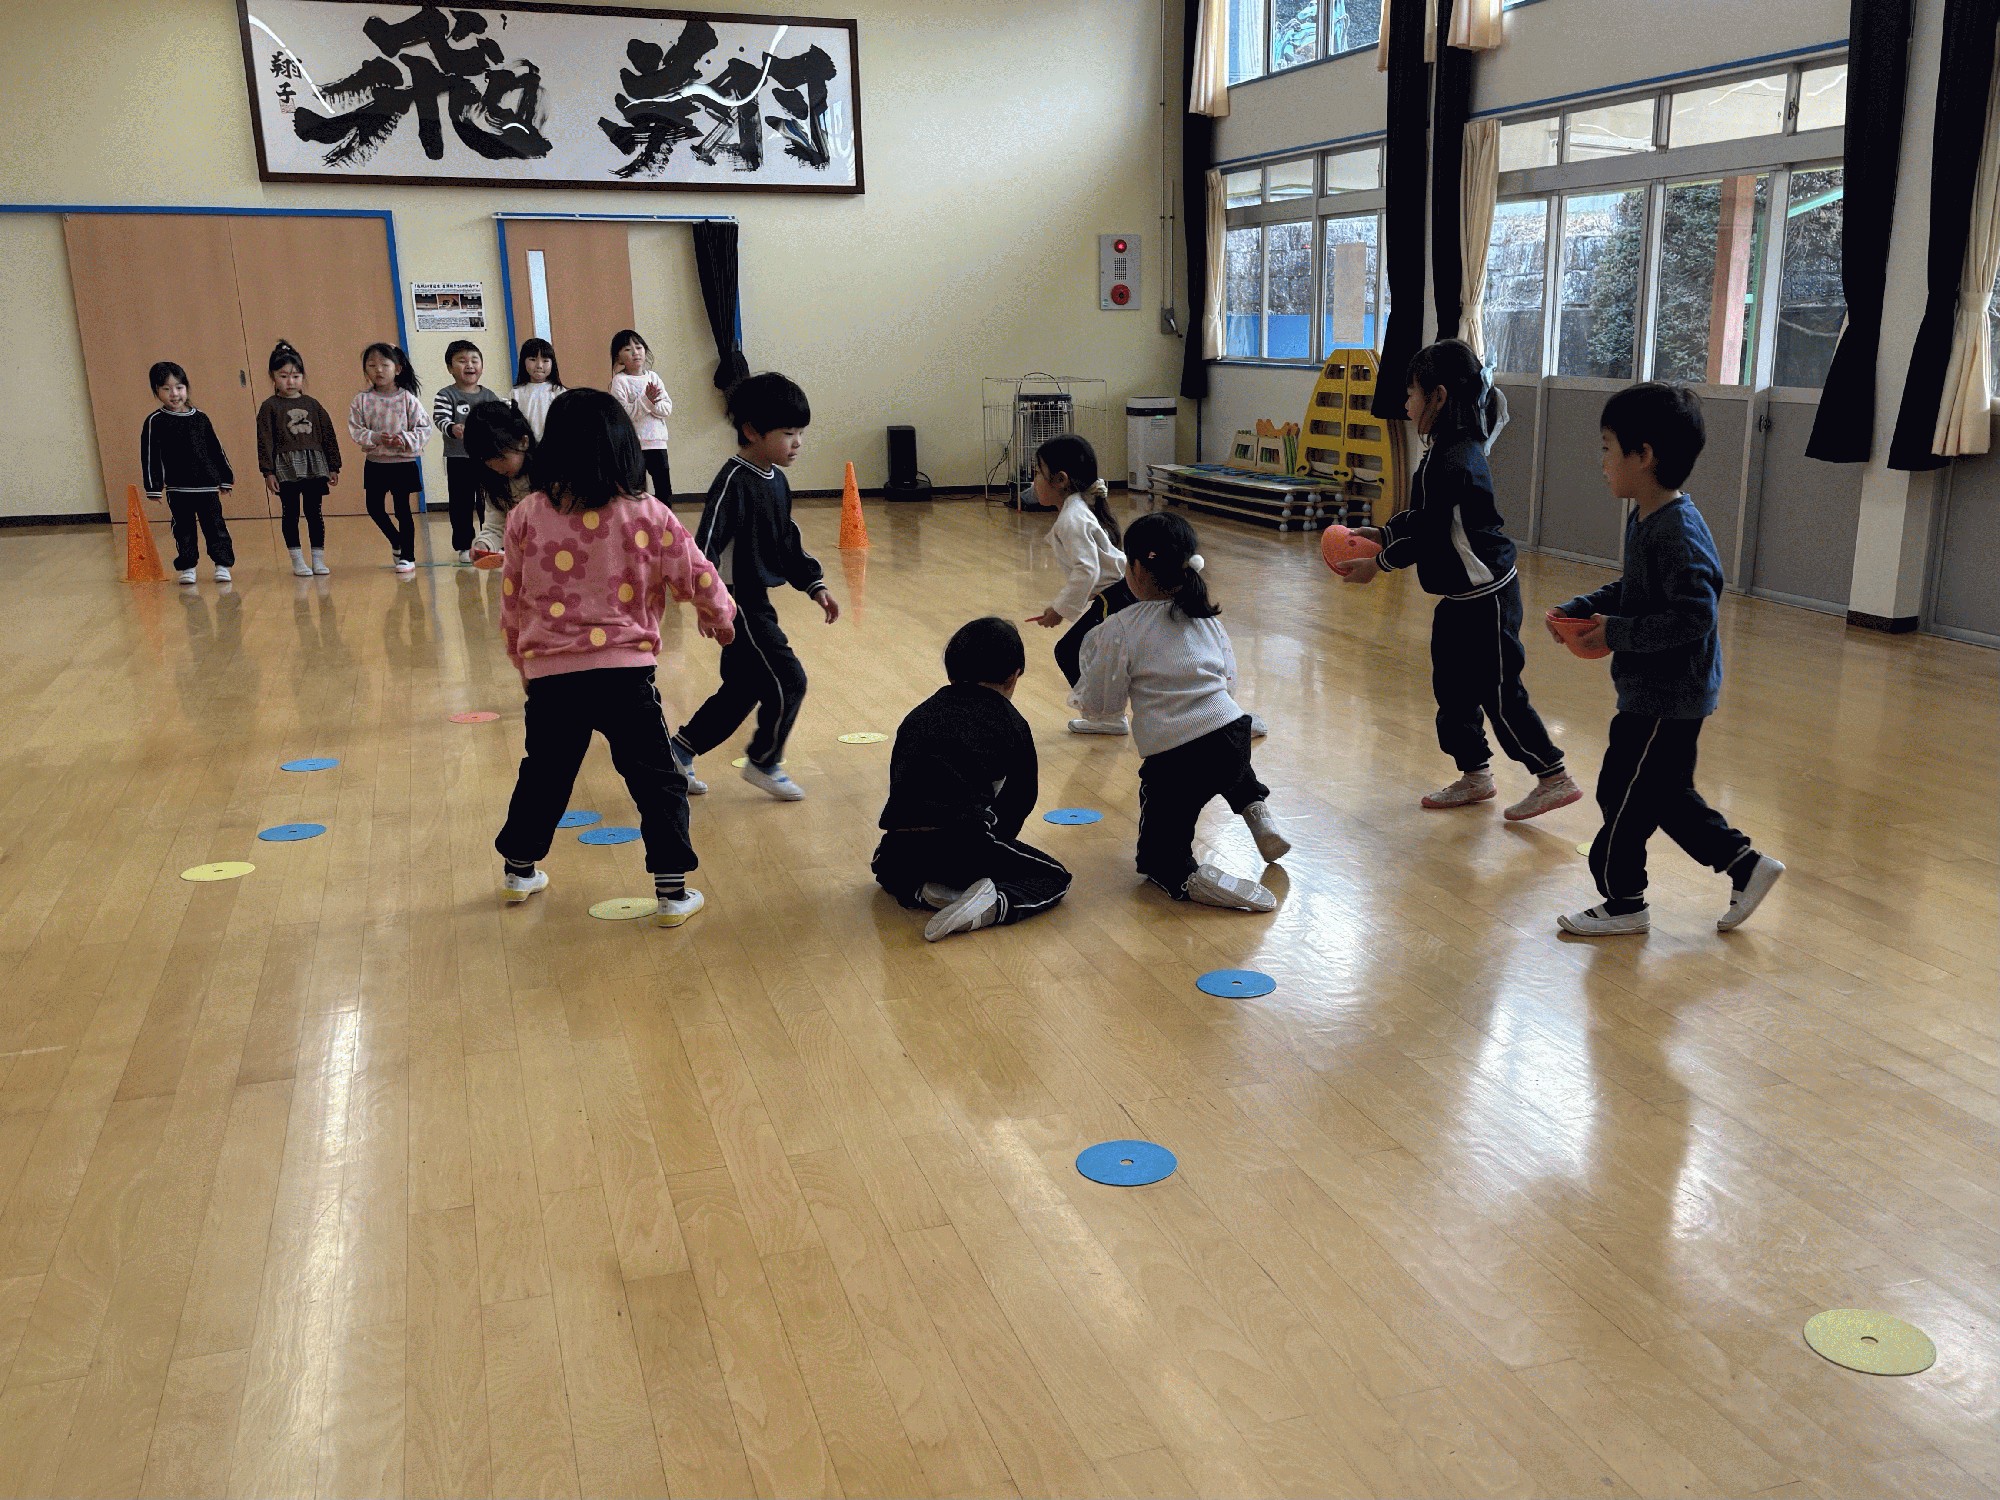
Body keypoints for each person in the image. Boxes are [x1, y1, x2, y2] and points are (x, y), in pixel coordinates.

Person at [493, 389, 736, 928]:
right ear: (626, 446)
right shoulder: (647, 512)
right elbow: (696, 572)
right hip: (625, 675)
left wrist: (522, 661)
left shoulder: (527, 515)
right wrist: (720, 617)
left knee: (545, 775)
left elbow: (513, 598)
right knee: (656, 780)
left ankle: (518, 870)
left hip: (552, 677)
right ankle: (671, 890)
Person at [1548, 382, 1784, 937]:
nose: (1602, 461)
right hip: (1656, 691)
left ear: (1644, 455)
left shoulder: (1677, 531)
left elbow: (1693, 616)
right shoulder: (1648, 518)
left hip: (1667, 695)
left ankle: (1624, 901)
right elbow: (1636, 589)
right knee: (1664, 795)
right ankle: (1745, 865)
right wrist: (1584, 607)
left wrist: (1617, 632)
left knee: (1622, 792)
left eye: (1608, 448)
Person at [1335, 338, 1581, 822]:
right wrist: (1384, 533)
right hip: (1458, 598)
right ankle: (1475, 774)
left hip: (1488, 597)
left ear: (1439, 397)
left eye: (1412, 393)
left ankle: (1553, 776)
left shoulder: (1456, 459)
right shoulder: (1442, 452)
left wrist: (1380, 563)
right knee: (1451, 689)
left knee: (1499, 691)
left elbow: (1431, 534)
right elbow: (1427, 517)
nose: (1406, 404)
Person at [1073, 511, 1287, 912]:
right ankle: (1257, 813)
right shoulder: (1206, 618)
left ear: (1136, 569)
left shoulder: (1122, 627)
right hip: (1233, 735)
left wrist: (1093, 702)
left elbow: (1103, 706)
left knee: (1158, 859)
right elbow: (1229, 682)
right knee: (1227, 758)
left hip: (1178, 760)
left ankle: (1197, 879)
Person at [672, 372, 839, 801]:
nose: (797, 443)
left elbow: (787, 542)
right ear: (751, 431)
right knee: (789, 679)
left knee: (743, 688)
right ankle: (764, 761)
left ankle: (679, 752)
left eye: (800, 433)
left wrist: (815, 585)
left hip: (754, 598)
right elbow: (704, 547)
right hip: (735, 602)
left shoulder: (776, 481)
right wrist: (708, 603)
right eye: (788, 433)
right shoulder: (733, 481)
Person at [874, 617, 1073, 941]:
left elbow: (902, 782)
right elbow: (1021, 798)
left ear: (951, 672)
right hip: (964, 842)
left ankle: (932, 892)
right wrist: (998, 844)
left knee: (884, 864)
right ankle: (993, 906)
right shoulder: (1011, 723)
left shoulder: (919, 715)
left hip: (903, 844)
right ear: (1014, 676)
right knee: (1053, 876)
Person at [1025, 433, 1135, 735]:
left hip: (1119, 596)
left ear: (1060, 480)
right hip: (1120, 594)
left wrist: (1059, 610)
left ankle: (1106, 716)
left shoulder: (1072, 517)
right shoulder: (1076, 509)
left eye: (1038, 473)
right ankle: (1108, 714)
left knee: (1069, 651)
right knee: (1089, 653)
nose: (1034, 481)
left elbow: (1087, 570)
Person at [140, 360, 235, 585]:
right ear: (157, 391)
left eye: (179, 387)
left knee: (215, 527)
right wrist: (153, 487)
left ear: (186, 388)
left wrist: (225, 477)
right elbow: (150, 455)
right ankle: (188, 566)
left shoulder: (201, 418)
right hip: (178, 488)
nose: (174, 394)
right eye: (167, 389)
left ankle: (222, 564)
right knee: (183, 529)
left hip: (207, 486)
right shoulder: (155, 421)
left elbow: (216, 449)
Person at [255, 339, 342, 577]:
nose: (290, 381)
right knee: (290, 512)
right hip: (286, 468)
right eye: (283, 376)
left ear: (303, 376)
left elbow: (328, 435)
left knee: (315, 512)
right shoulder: (269, 406)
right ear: (273, 377)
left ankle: (318, 559)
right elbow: (264, 440)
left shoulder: (313, 405)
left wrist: (333, 465)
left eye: (295, 376)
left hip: (314, 466)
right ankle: (297, 561)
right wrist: (268, 471)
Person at [347, 343, 430, 574]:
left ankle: (408, 556)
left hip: (403, 463)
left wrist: (402, 439)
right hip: (376, 463)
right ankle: (396, 540)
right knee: (374, 508)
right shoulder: (362, 400)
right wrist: (375, 437)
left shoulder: (408, 399)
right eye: (372, 365)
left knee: (403, 509)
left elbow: (424, 428)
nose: (378, 370)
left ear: (398, 368)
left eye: (385, 364)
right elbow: (355, 428)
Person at [432, 339, 502, 564]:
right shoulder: (446, 395)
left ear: (481, 365)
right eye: (462, 361)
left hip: (486, 459)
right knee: (461, 503)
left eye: (474, 360)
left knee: (489, 502)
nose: (469, 365)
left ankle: (490, 543)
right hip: (458, 458)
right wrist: (452, 428)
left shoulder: (489, 396)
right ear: (450, 368)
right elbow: (440, 418)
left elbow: (499, 420)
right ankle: (463, 544)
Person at [463, 399, 534, 567]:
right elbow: (495, 526)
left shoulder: (547, 474)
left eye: (500, 458)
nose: (495, 467)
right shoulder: (497, 482)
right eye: (487, 461)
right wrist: (483, 545)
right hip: (523, 565)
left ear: (524, 442)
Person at [608, 329, 674, 502]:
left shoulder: (654, 377)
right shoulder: (620, 381)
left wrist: (650, 403)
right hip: (633, 444)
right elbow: (623, 415)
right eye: (627, 349)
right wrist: (647, 401)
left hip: (657, 442)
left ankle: (664, 517)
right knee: (635, 488)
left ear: (645, 351)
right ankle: (638, 517)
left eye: (638, 347)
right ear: (619, 358)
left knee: (663, 487)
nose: (635, 352)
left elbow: (666, 409)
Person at [510, 337, 564, 439]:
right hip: (526, 444)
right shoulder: (516, 393)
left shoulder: (559, 392)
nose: (539, 365)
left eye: (545, 361)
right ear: (523, 361)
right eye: (533, 360)